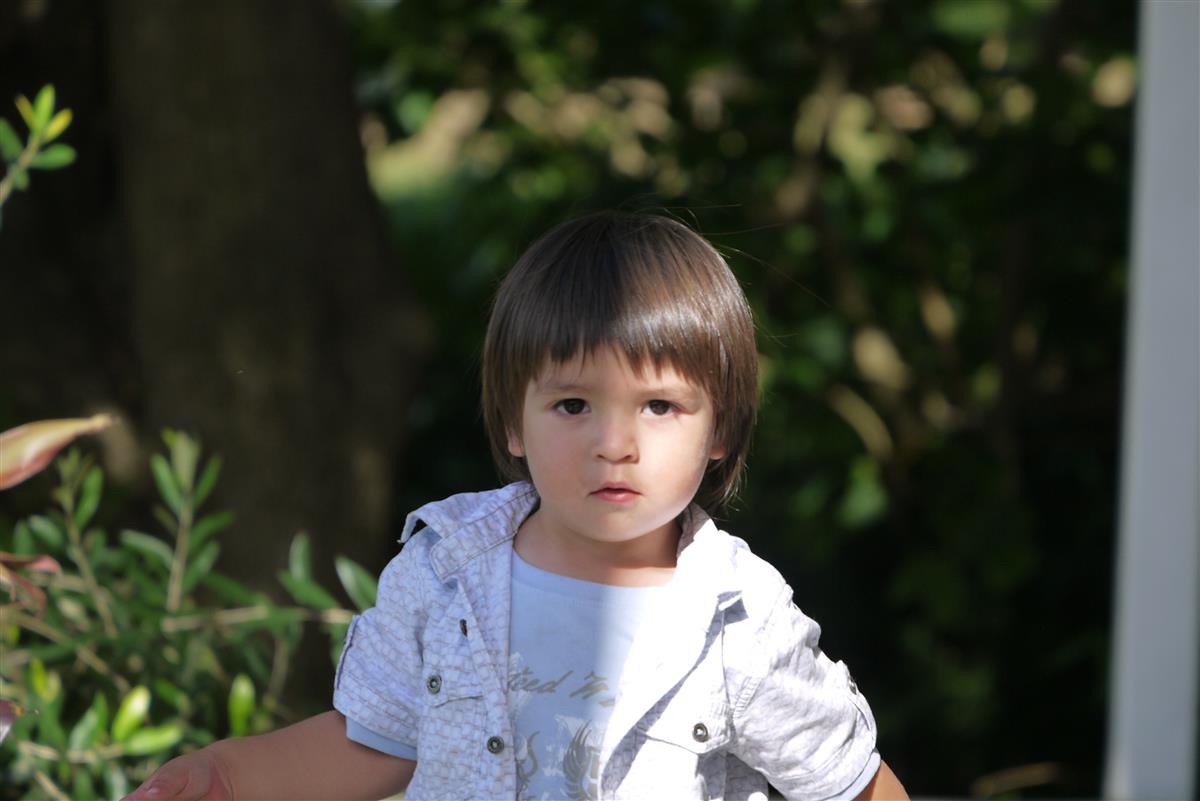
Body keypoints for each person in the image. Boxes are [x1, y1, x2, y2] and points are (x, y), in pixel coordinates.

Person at [125, 211, 909, 801]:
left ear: (722, 429)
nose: (615, 443)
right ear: (512, 422)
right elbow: (370, 743)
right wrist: (226, 775)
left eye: (660, 406)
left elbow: (852, 781)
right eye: (573, 404)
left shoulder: (738, 621)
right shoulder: (443, 574)